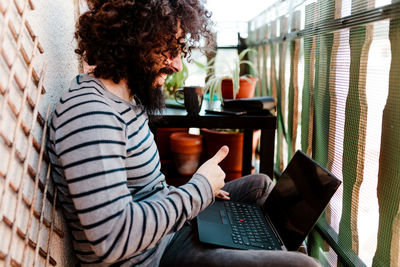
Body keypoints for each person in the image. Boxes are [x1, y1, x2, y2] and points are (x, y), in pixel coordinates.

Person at [47, 0, 321, 266]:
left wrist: (197, 192)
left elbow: (147, 190)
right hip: (152, 257)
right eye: (169, 49)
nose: (177, 65)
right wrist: (199, 189)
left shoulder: (124, 99)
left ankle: (266, 245)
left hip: (166, 235)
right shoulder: (91, 114)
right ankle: (276, 253)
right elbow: (112, 239)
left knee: (260, 184)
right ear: (133, 39)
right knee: (303, 265)